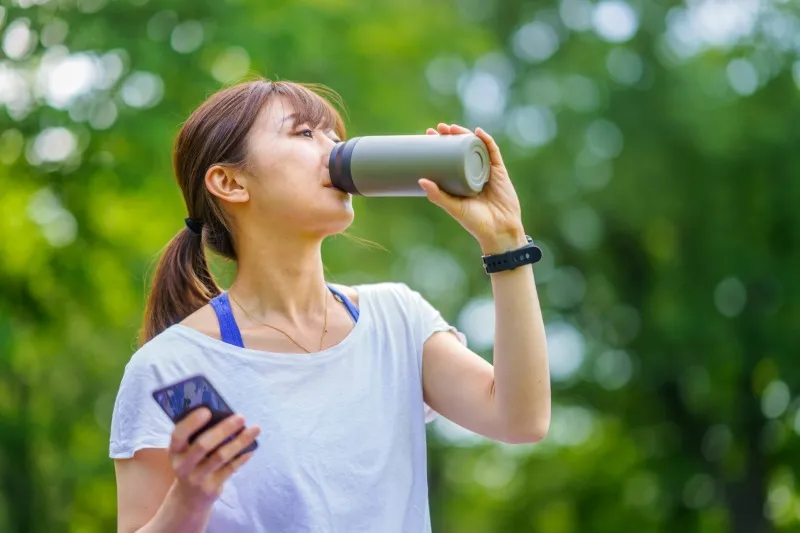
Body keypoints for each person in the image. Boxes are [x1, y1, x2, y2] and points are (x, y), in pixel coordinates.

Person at [110, 79, 551, 533]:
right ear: (230, 181)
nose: (336, 150)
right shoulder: (177, 368)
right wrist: (189, 499)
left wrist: (505, 241)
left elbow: (521, 420)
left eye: (335, 138)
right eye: (304, 134)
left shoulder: (398, 320)